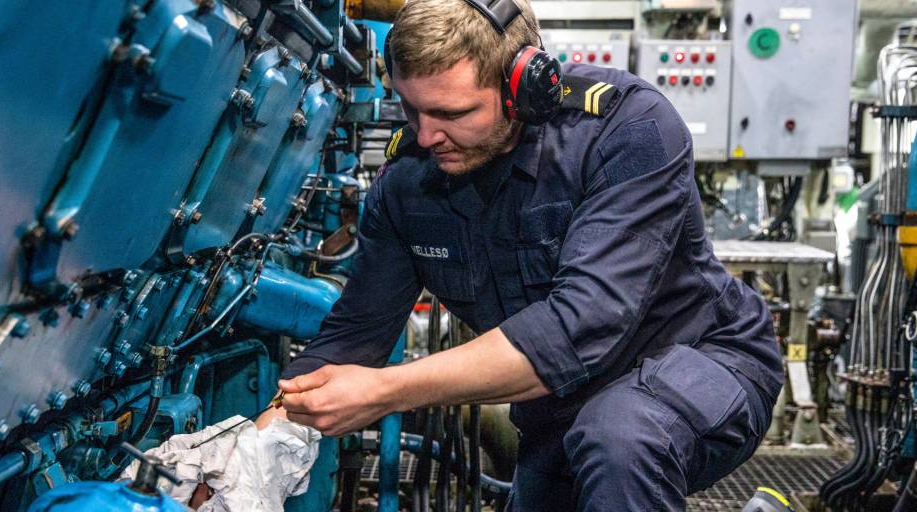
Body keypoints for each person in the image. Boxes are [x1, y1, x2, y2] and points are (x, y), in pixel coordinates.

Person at [258, 0, 783, 509]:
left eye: (450, 112)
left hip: (702, 363)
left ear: (522, 88)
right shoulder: (407, 185)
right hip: (563, 404)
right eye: (410, 108)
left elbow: (576, 329)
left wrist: (385, 391)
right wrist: (252, 451)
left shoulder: (627, 129)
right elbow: (354, 334)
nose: (424, 134)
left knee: (619, 438)